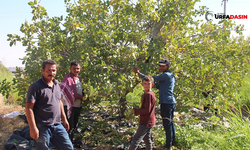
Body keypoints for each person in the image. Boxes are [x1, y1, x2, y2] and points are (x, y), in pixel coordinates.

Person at [25, 59, 73, 150]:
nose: (51, 73)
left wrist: (64, 119)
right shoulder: (35, 86)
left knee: (68, 147)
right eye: (49, 70)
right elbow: (29, 107)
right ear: (42, 70)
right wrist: (33, 128)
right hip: (42, 127)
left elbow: (59, 102)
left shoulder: (56, 84)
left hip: (57, 125)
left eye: (54, 70)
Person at [134, 58, 176, 150]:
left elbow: (152, 79)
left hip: (167, 102)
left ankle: (168, 146)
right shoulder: (168, 76)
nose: (161, 68)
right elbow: (158, 86)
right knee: (170, 123)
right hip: (170, 102)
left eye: (163, 66)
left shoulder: (166, 75)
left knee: (167, 124)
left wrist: (139, 74)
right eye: (160, 66)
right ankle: (172, 143)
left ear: (168, 66)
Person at [60, 61, 86, 142]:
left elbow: (79, 92)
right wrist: (81, 98)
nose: (76, 70)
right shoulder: (67, 79)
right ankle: (66, 145)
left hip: (77, 106)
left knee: (74, 126)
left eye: (77, 68)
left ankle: (69, 143)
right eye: (74, 68)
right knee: (68, 126)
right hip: (68, 106)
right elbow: (70, 94)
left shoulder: (78, 79)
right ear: (70, 69)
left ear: (80, 69)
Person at [129, 76, 156, 150]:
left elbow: (146, 110)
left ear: (152, 85)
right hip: (150, 121)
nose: (146, 85)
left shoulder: (148, 95)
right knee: (147, 139)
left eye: (148, 84)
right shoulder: (151, 93)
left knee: (136, 140)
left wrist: (136, 111)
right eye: (145, 83)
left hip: (146, 121)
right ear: (142, 84)